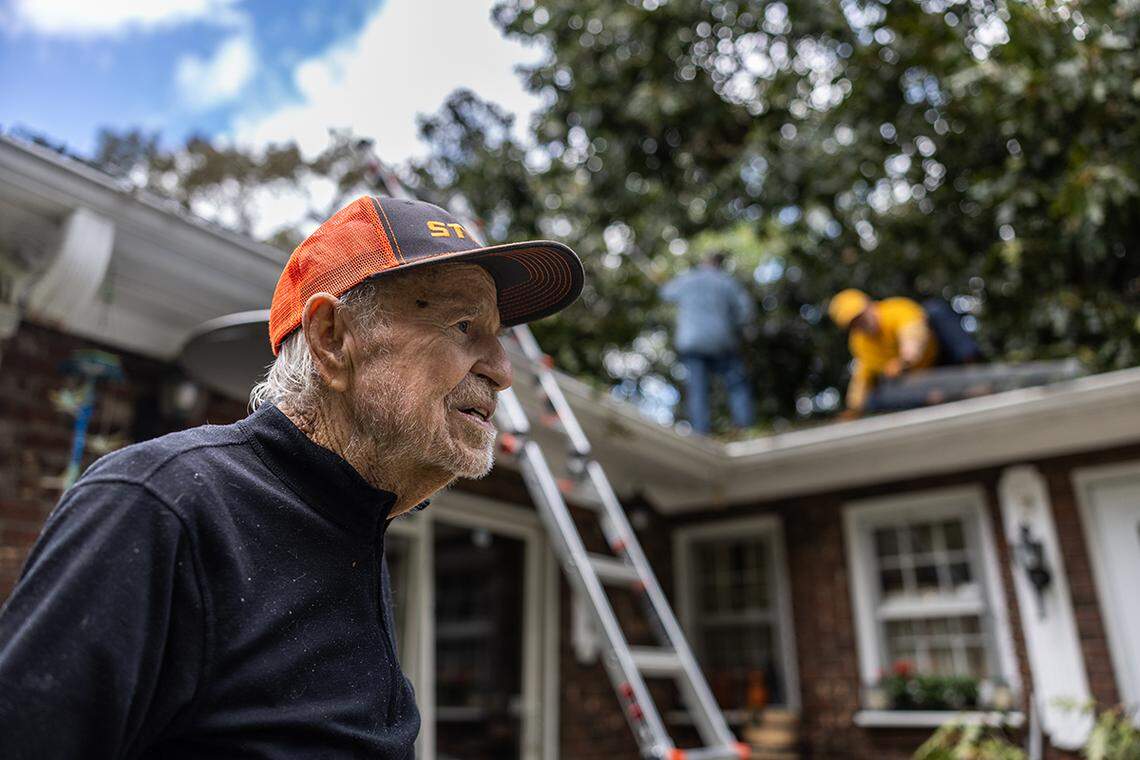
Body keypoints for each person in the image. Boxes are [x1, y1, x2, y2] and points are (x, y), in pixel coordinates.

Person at [0, 196, 583, 758]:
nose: (503, 372)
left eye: (499, 337)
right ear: (332, 337)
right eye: (462, 326)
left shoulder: (355, 522)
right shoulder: (162, 505)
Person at [828, 288, 980, 415]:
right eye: (854, 323)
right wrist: (853, 409)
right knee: (874, 399)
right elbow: (862, 377)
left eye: (860, 316)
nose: (860, 323)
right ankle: (930, 398)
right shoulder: (859, 343)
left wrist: (903, 361)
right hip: (915, 382)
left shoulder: (896, 309)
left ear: (870, 305)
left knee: (936, 311)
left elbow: (913, 335)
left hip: (940, 359)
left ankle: (973, 376)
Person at [660, 252, 756, 434]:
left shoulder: (687, 279)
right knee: (736, 384)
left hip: (692, 342)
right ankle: (744, 427)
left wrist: (661, 280)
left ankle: (700, 433)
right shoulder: (728, 283)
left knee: (697, 389)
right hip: (721, 341)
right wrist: (739, 329)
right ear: (720, 265)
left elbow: (665, 293)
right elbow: (745, 311)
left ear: (703, 262)